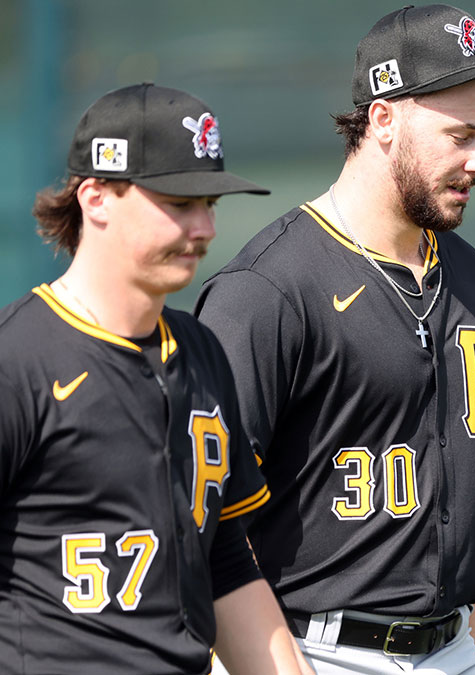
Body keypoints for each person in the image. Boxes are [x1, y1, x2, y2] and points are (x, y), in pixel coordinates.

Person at [194, 5, 475, 674]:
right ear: (383, 119)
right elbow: (202, 521)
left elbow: (466, 509)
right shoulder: (269, 288)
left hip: (455, 651)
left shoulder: (470, 276)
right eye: (463, 135)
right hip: (314, 649)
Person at [0, 83, 303, 673]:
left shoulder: (200, 350)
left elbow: (224, 561)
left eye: (210, 203)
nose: (206, 228)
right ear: (96, 198)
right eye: (179, 202)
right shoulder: (18, 360)